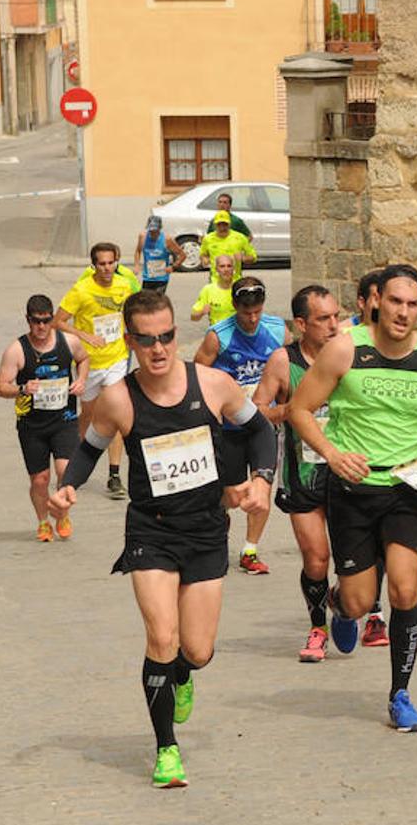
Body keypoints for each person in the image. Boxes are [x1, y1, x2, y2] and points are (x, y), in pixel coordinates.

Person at [49, 289, 275, 788]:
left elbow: (263, 433)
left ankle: (183, 673)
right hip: (151, 530)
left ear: (177, 334)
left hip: (206, 530)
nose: (159, 349)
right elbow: (89, 450)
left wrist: (260, 479)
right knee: (161, 637)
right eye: (147, 340)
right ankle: (166, 749)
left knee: (196, 650)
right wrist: (66, 487)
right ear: (130, 340)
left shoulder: (213, 385)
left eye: (167, 337)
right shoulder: (118, 399)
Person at [290, 263, 417, 732]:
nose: (402, 313)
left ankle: (400, 694)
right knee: (359, 599)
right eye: (394, 302)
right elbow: (299, 410)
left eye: (412, 304)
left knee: (405, 589)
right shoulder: (344, 350)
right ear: (375, 302)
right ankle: (340, 603)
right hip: (353, 489)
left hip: (407, 487)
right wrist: (331, 453)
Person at [253, 285, 342, 660]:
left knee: (356, 568)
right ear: (302, 324)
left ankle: (348, 603)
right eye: (324, 319)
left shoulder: (349, 356)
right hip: (301, 474)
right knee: (317, 557)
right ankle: (318, 627)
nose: (334, 326)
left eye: (337, 316)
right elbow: (256, 411)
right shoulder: (282, 361)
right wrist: (287, 412)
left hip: (346, 471)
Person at [193, 277, 288, 574]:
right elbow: (196, 375)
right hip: (230, 429)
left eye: (257, 311)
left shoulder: (277, 330)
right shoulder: (218, 336)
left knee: (262, 488)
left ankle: (250, 550)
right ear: (235, 307)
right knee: (229, 494)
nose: (252, 318)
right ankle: (217, 543)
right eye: (246, 312)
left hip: (264, 428)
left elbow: (290, 368)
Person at [0, 295, 89, 541]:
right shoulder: (16, 350)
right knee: (40, 480)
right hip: (32, 426)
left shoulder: (68, 342)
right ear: (28, 320)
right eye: (37, 322)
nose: (42, 327)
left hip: (64, 419)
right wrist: (22, 389)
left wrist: (81, 380)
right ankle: (43, 522)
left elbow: (84, 358)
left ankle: (62, 514)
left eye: (47, 321)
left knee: (65, 472)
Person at [53, 243, 137, 499]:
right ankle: (78, 460)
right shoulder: (81, 290)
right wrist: (83, 336)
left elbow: (130, 313)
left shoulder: (124, 286)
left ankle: (114, 475)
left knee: (116, 414)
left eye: (111, 263)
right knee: (89, 415)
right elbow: (58, 321)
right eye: (101, 264)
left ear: (117, 262)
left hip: (117, 359)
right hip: (89, 363)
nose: (107, 268)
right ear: (94, 265)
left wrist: (130, 333)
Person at [336, 267, 390, 647]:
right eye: (380, 298)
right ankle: (345, 603)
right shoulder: (342, 341)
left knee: (391, 552)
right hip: (343, 466)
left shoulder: (410, 347)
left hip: (392, 471)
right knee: (329, 554)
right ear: (365, 301)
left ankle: (375, 614)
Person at [199, 211, 256, 289]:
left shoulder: (240, 237)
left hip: (235, 281)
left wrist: (243, 258)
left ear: (229, 224)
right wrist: (204, 259)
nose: (222, 227)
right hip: (215, 281)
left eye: (225, 224)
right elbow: (203, 254)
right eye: (219, 224)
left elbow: (253, 257)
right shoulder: (208, 239)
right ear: (215, 225)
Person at [135, 216, 185, 294]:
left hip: (161, 278)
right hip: (148, 277)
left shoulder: (167, 239)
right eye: (151, 231)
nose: (153, 233)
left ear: (159, 229)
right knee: (146, 302)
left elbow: (182, 255)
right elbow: (138, 251)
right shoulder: (143, 237)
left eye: (155, 231)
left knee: (157, 302)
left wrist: (173, 266)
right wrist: (137, 265)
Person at [191, 254, 237, 325]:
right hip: (217, 332)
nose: (226, 269)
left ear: (233, 269)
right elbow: (193, 317)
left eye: (229, 266)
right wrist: (202, 312)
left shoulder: (239, 288)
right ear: (216, 269)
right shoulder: (208, 289)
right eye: (222, 266)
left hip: (237, 332)